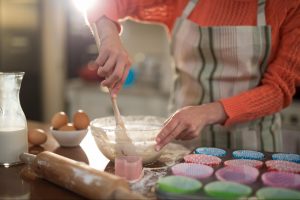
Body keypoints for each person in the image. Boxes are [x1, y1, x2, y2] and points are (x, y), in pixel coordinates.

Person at [85, 0, 300, 152]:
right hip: (184, 144)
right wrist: (108, 35)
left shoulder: (288, 5)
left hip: (253, 148)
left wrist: (207, 112)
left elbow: (279, 89)